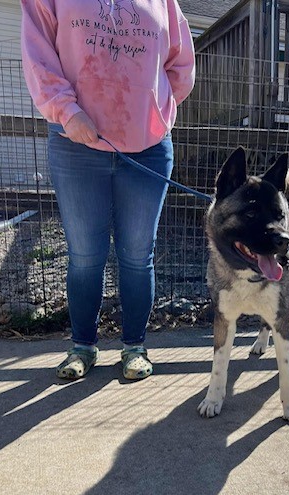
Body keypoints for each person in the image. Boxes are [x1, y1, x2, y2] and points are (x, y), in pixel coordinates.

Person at [20, 0, 195, 380]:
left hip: (148, 149)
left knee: (137, 253)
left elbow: (181, 66)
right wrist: (67, 111)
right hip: (75, 143)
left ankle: (135, 347)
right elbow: (39, 55)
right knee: (85, 254)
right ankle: (82, 346)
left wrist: (154, 111)